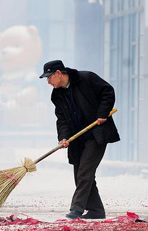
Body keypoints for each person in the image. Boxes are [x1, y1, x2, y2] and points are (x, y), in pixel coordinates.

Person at [39, 60, 120, 219]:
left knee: (85, 172)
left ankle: (76, 209)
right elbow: (61, 119)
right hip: (77, 138)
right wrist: (63, 137)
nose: (48, 81)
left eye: (49, 77)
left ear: (58, 74)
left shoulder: (86, 78)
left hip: (96, 133)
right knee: (80, 174)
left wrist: (103, 113)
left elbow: (107, 92)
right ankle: (96, 211)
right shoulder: (57, 95)